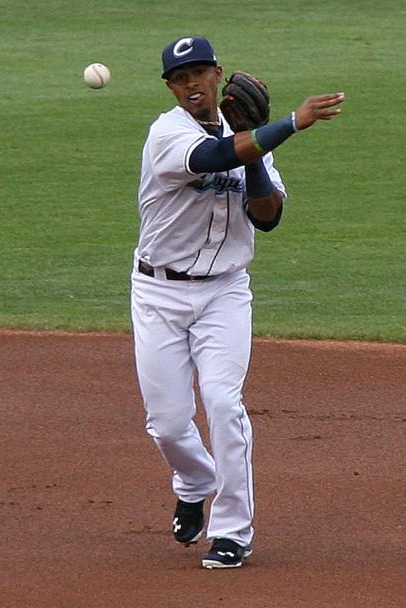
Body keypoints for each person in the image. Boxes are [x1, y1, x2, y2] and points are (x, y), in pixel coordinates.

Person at [130, 35, 344, 569]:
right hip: (159, 293)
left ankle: (233, 530)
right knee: (168, 423)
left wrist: (257, 143)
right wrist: (288, 125)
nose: (191, 84)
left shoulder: (250, 140)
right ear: (172, 88)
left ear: (217, 75)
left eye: (200, 73)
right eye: (181, 78)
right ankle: (195, 478)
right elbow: (215, 156)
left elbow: (267, 216)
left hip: (224, 293)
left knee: (224, 404)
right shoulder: (167, 134)